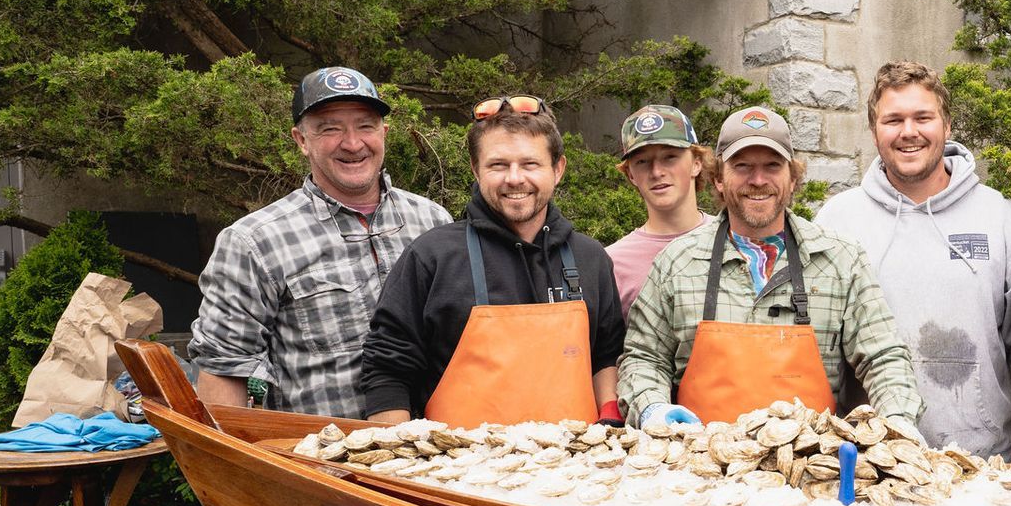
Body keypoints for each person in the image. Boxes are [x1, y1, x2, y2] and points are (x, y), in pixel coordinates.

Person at [619, 106, 924, 429]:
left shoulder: (840, 260)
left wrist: (898, 422)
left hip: (810, 467)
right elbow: (643, 358)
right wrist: (652, 407)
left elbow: (884, 358)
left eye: (772, 166)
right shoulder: (676, 263)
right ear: (719, 179)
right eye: (743, 166)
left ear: (792, 178)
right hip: (698, 468)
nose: (758, 180)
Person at [815, 61, 1011, 460]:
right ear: (875, 132)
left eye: (923, 117)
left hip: (980, 462)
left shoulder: (1002, 219)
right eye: (893, 120)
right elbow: (817, 345)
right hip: (868, 460)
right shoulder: (837, 221)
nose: (909, 132)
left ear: (946, 126)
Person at [189, 66, 449, 416]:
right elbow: (224, 368)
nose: (353, 143)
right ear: (301, 141)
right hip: (323, 461)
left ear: (384, 133)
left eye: (365, 126)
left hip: (440, 456)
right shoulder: (254, 242)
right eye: (330, 128)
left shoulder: (432, 221)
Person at [359, 95, 624, 427]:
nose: (514, 178)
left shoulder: (592, 259)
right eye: (498, 165)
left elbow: (606, 357)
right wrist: (397, 463)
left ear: (558, 169)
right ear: (475, 169)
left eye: (530, 164)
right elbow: (387, 370)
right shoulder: (432, 256)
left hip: (576, 467)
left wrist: (610, 422)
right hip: (454, 470)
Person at [606, 105, 715, 313]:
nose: (656, 172)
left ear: (696, 163)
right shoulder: (612, 264)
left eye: (670, 157)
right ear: (630, 175)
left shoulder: (733, 242)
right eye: (642, 161)